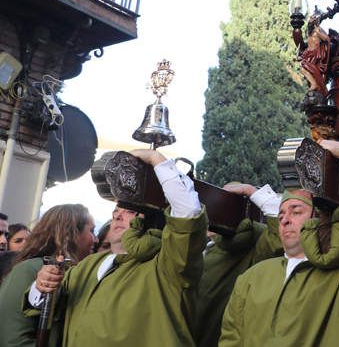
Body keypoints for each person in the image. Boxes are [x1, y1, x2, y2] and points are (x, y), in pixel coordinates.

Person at [219, 139, 339, 347]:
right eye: (280, 216)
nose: (285, 220)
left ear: (317, 218)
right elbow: (230, 340)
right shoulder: (251, 278)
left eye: (296, 211)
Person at [30, 149, 208, 347]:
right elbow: (41, 306)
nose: (117, 216)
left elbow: (188, 214)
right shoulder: (86, 266)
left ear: (149, 221)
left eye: (129, 211)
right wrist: (40, 285)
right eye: (116, 210)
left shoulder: (169, 266)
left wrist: (156, 159)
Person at [193, 182, 282, 347]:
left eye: (227, 205)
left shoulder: (255, 246)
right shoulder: (199, 246)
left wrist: (252, 192)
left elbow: (281, 232)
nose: (217, 209)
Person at [0, 204, 96, 346]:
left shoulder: (80, 273)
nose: (96, 239)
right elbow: (13, 338)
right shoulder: (28, 270)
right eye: (91, 231)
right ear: (71, 233)